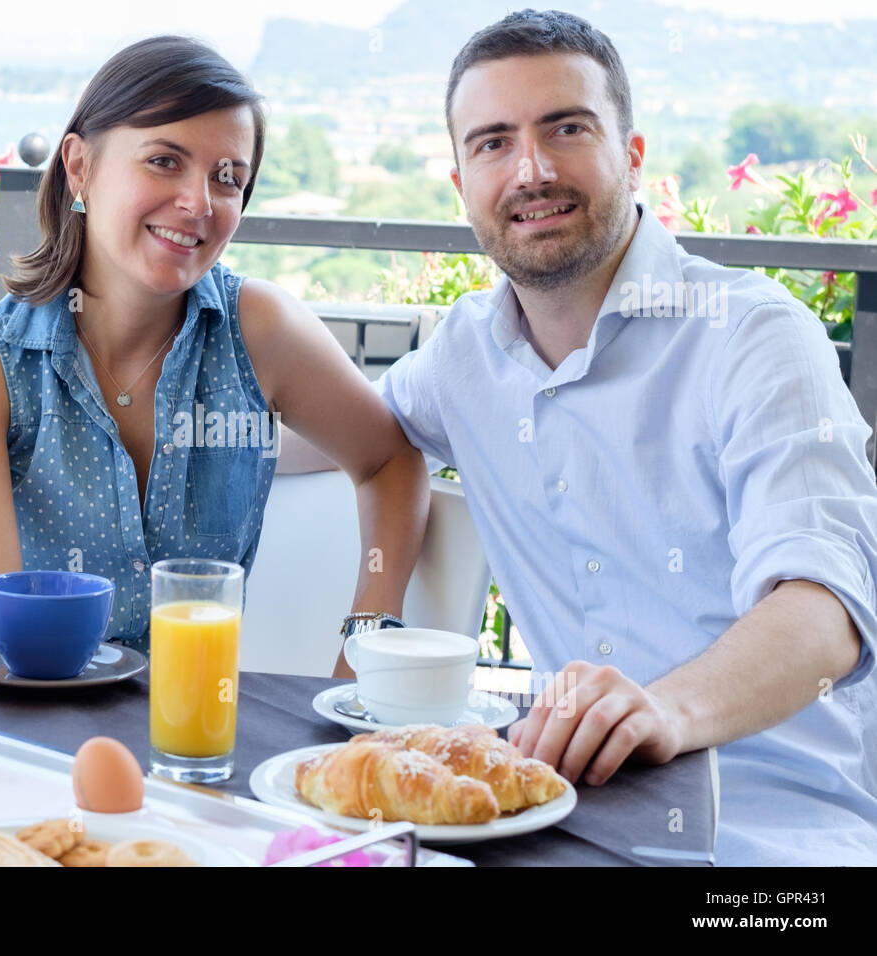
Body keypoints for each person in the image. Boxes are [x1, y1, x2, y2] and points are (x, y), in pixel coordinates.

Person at [357, 10, 875, 864]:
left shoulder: (754, 336)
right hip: (561, 822)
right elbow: (336, 426)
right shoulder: (462, 357)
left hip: (770, 836)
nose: (531, 170)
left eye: (566, 128)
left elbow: (825, 609)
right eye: (492, 142)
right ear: (461, 186)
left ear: (631, 156)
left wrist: (667, 710)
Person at [0, 36, 428, 671]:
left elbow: (389, 460)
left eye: (228, 177)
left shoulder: (261, 331)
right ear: (80, 168)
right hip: (39, 741)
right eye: (165, 161)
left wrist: (363, 645)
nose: (200, 203)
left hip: (204, 741)